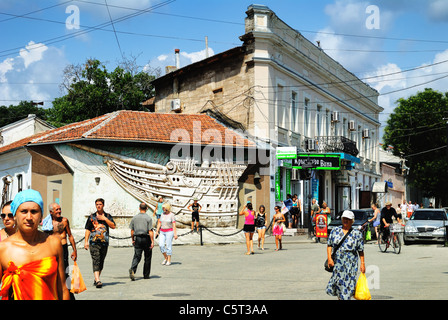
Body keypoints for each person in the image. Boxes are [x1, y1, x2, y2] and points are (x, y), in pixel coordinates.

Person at [0, 189, 70, 300]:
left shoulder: (53, 243)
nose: (29, 217)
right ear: (15, 215)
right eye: (23, 211)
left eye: (34, 212)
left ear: (41, 215)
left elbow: (62, 288)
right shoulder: (3, 249)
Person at [326, 210, 365, 300]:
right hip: (338, 264)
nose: (345, 220)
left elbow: (361, 250)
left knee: (348, 286)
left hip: (351, 265)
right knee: (339, 285)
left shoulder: (357, 234)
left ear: (352, 221)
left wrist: (362, 263)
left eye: (348, 219)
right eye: (344, 218)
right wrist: (329, 259)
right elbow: (329, 245)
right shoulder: (335, 231)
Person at [43, 203, 77, 300]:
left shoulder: (65, 221)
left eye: (59, 209)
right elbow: (44, 238)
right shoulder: (47, 223)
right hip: (52, 249)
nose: (59, 211)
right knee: (54, 272)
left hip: (63, 248)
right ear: (51, 212)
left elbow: (70, 235)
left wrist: (74, 250)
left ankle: (70, 296)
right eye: (56, 210)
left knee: (65, 272)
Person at [84, 198, 116, 288]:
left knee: (101, 261)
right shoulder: (92, 217)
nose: (98, 206)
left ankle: (96, 278)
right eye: (97, 204)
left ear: (103, 205)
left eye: (100, 204)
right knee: (96, 259)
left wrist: (105, 219)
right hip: (94, 242)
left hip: (104, 243)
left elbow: (113, 226)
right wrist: (86, 241)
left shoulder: (108, 216)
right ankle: (98, 280)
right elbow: (87, 229)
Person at [129, 202, 154, 280]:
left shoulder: (134, 218)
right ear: (146, 209)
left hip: (138, 238)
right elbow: (150, 231)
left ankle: (133, 269)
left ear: (139, 208)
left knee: (137, 256)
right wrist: (152, 241)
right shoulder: (148, 218)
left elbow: (132, 231)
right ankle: (146, 275)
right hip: (146, 238)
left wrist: (133, 239)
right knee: (147, 257)